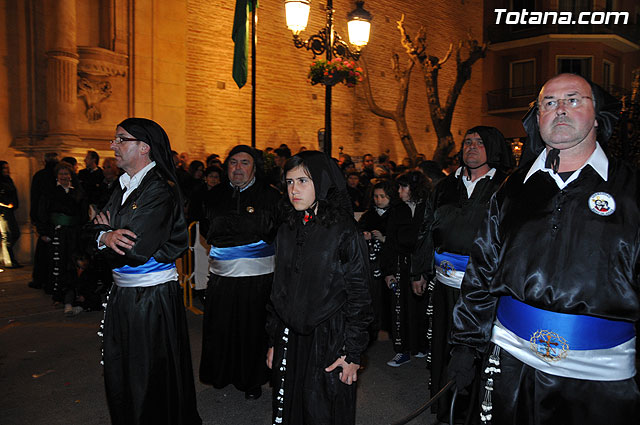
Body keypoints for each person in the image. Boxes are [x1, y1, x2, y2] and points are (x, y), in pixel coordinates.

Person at [448, 73, 640, 425]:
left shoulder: (631, 191)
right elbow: (482, 270)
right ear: (538, 119)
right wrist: (465, 343)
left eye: (573, 99)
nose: (560, 109)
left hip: (601, 378)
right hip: (510, 363)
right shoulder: (512, 189)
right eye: (548, 103)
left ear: (598, 115)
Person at [82, 118, 201, 425]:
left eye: (121, 139)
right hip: (123, 294)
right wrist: (104, 235)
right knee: (122, 369)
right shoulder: (121, 186)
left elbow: (134, 249)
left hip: (151, 298)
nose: (113, 146)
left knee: (148, 372)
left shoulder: (159, 189)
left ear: (144, 147)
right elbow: (91, 233)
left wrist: (105, 233)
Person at [411, 126, 512, 423]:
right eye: (467, 142)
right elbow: (427, 229)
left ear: (492, 148)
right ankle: (447, 411)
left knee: (477, 352)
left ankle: (475, 414)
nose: (472, 147)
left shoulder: (505, 186)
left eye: (479, 143)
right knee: (445, 348)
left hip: (482, 291)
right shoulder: (444, 186)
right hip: (444, 286)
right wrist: (419, 270)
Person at [266, 151, 372, 425]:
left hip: (330, 337)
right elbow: (278, 290)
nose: (294, 190)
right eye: (289, 182)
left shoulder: (345, 231)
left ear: (322, 183)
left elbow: (360, 294)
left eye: (302, 181)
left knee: (322, 411)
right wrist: (273, 341)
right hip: (290, 335)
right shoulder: (287, 227)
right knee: (290, 407)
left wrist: (352, 353)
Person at [199, 145, 280, 400]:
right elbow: (205, 229)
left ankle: (252, 380)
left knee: (252, 331)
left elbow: (277, 232)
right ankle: (222, 375)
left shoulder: (271, 196)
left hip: (258, 280)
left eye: (244, 163)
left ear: (254, 167)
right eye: (233, 162)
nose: (237, 168)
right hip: (222, 278)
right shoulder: (213, 196)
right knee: (221, 328)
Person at [381, 170, 430, 366]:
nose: (399, 191)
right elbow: (390, 242)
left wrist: (425, 271)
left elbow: (430, 241)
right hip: (401, 265)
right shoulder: (397, 210)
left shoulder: (428, 209)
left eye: (403, 186)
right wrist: (388, 271)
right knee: (400, 309)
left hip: (423, 266)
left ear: (415, 188)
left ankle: (421, 347)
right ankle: (402, 350)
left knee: (423, 308)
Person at [37, 162, 88, 312]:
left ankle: (72, 294)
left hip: (74, 234)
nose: (64, 177)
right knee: (57, 264)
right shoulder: (50, 192)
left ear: (71, 176)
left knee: (72, 264)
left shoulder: (78, 192)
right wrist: (44, 232)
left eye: (66, 174)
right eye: (61, 174)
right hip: (57, 233)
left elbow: (83, 214)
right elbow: (42, 213)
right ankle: (58, 295)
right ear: (57, 176)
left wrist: (83, 232)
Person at [358, 179, 397, 343]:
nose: (378, 200)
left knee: (389, 297)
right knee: (374, 295)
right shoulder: (369, 215)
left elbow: (401, 239)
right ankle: (373, 327)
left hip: (389, 262)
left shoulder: (396, 214)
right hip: (372, 263)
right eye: (376, 196)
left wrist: (384, 238)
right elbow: (358, 231)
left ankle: (391, 328)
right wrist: (364, 236)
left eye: (382, 196)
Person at [29, 152, 58, 290]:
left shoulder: (40, 176)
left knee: (43, 251)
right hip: (53, 217)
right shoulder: (54, 175)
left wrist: (34, 218)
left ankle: (41, 279)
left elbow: (35, 198)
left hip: (43, 217)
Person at [0, 160, 21, 268]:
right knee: (8, 235)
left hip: (10, 210)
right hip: (3, 211)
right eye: (4, 168)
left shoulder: (8, 180)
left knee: (13, 234)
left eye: (7, 168)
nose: (6, 170)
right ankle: (9, 260)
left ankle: (7, 258)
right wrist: (5, 204)